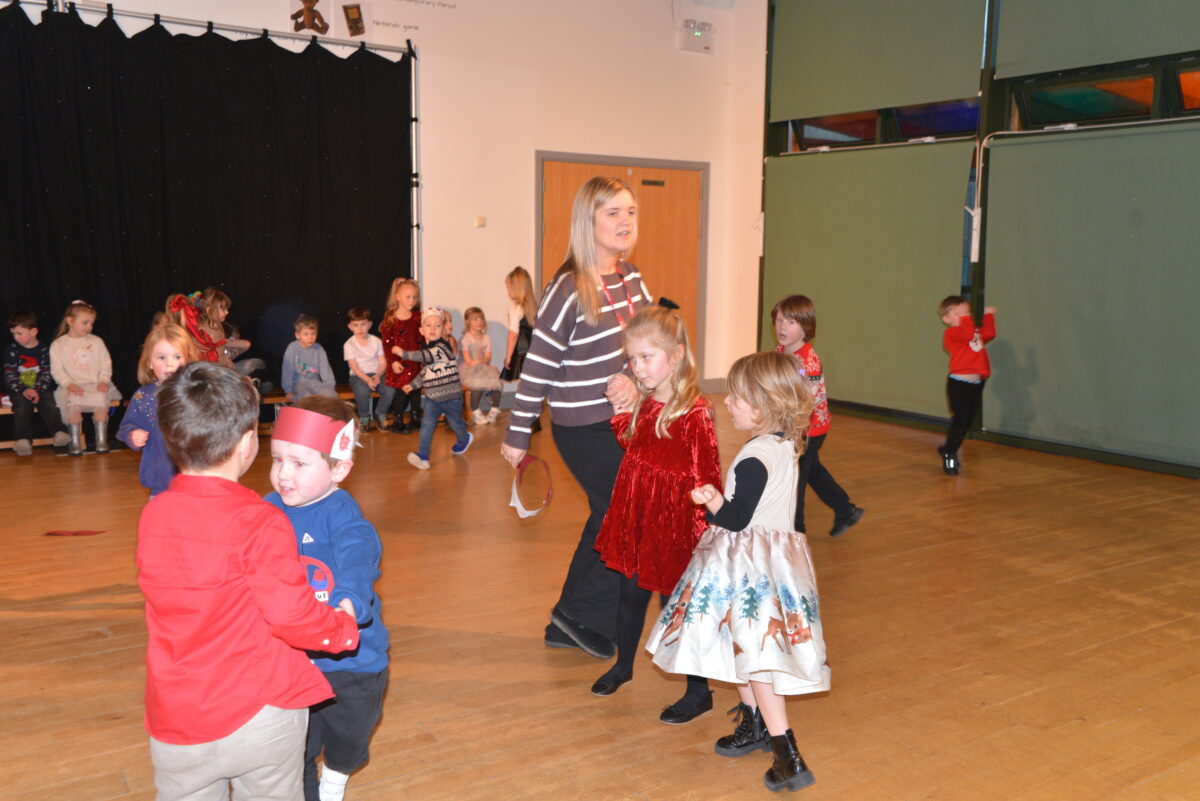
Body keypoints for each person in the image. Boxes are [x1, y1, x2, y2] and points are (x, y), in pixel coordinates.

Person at [137, 362, 360, 801]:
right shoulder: (260, 519)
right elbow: (291, 616)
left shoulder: (153, 514)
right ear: (246, 443)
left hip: (178, 717)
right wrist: (341, 628)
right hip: (260, 713)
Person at [645, 351, 829, 793]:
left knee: (759, 662)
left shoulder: (753, 457)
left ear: (764, 405)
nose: (727, 401)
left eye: (738, 397)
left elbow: (735, 518)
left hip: (746, 567)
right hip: (775, 564)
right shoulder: (786, 444)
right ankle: (755, 724)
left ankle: (788, 756)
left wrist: (711, 499)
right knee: (740, 644)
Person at [501, 176, 650, 660]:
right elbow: (539, 364)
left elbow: (650, 343)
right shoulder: (568, 288)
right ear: (589, 221)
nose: (625, 221)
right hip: (581, 424)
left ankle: (570, 618)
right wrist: (518, 432)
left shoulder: (632, 279)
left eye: (630, 211)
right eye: (613, 213)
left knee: (611, 513)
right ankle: (581, 613)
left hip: (624, 418)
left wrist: (634, 378)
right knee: (627, 512)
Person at [590, 307, 721, 724]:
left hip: (676, 526)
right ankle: (623, 666)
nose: (638, 367)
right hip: (638, 515)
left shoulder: (695, 412)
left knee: (677, 605)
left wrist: (703, 533)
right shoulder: (647, 402)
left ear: (677, 354)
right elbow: (634, 444)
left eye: (647, 357)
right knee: (630, 594)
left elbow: (709, 478)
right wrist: (620, 410)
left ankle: (699, 691)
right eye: (632, 359)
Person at [265, 397, 389, 801]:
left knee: (348, 741)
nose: (283, 474)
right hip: (291, 659)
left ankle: (335, 779)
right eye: (277, 459)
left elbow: (358, 559)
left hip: (351, 663)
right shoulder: (266, 511)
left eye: (299, 463)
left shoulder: (345, 517)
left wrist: (347, 602)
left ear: (339, 469)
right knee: (293, 749)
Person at [772, 295, 864, 536]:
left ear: (806, 327)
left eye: (790, 322)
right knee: (812, 471)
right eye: (779, 320)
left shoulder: (807, 363)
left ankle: (796, 533)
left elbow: (806, 402)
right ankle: (846, 510)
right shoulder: (781, 351)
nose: (782, 327)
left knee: (796, 482)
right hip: (795, 427)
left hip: (808, 430)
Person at [117, 324, 200, 496]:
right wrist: (132, 434)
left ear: (188, 360)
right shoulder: (143, 396)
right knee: (159, 514)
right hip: (160, 480)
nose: (169, 363)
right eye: (161, 357)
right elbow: (126, 426)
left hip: (194, 479)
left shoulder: (196, 393)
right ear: (149, 362)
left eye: (177, 357)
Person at [396, 306, 473, 470]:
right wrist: (412, 385)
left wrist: (404, 354)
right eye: (428, 325)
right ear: (421, 330)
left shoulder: (443, 347)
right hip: (433, 398)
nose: (433, 329)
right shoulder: (425, 349)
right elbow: (425, 373)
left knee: (456, 423)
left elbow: (426, 356)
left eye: (438, 326)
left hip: (451, 397)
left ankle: (464, 438)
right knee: (427, 426)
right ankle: (423, 456)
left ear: (443, 329)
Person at [49, 300, 120, 456]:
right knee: (73, 403)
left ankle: (101, 440)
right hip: (72, 386)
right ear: (70, 321)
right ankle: (75, 442)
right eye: (85, 322)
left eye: (91, 323)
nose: (89, 327)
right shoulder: (59, 345)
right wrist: (69, 384)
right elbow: (57, 370)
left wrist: (103, 381)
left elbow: (106, 364)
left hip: (95, 384)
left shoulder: (96, 342)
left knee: (101, 400)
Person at [937, 296, 997, 475]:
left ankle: (947, 447)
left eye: (967, 313)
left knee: (967, 421)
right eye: (959, 314)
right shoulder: (951, 334)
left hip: (976, 383)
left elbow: (988, 334)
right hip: (959, 384)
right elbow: (967, 334)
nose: (965, 317)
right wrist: (967, 319)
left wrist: (988, 316)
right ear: (946, 319)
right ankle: (950, 455)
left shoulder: (971, 330)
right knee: (961, 421)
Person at [4, 310, 70, 454]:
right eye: (13, 334)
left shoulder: (45, 349)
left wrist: (37, 389)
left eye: (19, 333)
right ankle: (23, 440)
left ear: (33, 331)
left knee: (50, 403)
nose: (16, 337)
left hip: (42, 389)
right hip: (20, 390)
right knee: (21, 407)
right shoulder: (12, 350)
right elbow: (10, 375)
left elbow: (47, 372)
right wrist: (24, 389)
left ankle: (59, 432)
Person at [379, 278, 424, 433]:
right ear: (397, 296)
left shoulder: (418, 318)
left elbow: (420, 340)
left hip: (414, 362)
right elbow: (387, 345)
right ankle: (397, 419)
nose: (412, 300)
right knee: (401, 392)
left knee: (415, 391)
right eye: (408, 297)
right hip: (398, 364)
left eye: (414, 297)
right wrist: (392, 362)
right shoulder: (390, 320)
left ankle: (415, 417)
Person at [344, 306, 394, 432]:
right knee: (361, 390)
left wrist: (378, 375)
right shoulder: (349, 344)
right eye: (356, 325)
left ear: (370, 324)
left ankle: (380, 414)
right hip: (359, 376)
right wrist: (368, 380)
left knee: (390, 388)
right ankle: (365, 417)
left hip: (376, 374)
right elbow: (354, 367)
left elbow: (383, 362)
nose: (360, 328)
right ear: (350, 327)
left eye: (363, 324)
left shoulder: (376, 341)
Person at [459, 307, 503, 425]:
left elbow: (488, 357)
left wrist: (480, 360)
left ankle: (494, 409)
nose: (479, 322)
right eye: (475, 319)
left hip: (482, 366)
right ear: (467, 321)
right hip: (469, 369)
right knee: (477, 383)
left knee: (496, 381)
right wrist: (478, 361)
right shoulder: (466, 338)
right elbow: (468, 360)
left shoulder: (486, 338)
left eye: (481, 319)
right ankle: (475, 411)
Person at [283, 314, 338, 401]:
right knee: (306, 397)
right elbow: (287, 371)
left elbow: (325, 370)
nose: (310, 337)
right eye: (306, 334)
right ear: (297, 335)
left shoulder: (319, 349)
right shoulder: (292, 348)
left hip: (315, 382)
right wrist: (288, 390)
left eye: (313, 333)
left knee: (331, 395)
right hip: (298, 383)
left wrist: (330, 387)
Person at [499, 266, 536, 387]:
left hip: (521, 352)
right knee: (531, 385)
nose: (508, 292)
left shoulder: (516, 308)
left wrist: (508, 357)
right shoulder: (534, 307)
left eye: (508, 289)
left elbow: (513, 335)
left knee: (524, 386)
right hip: (534, 352)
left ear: (515, 288)